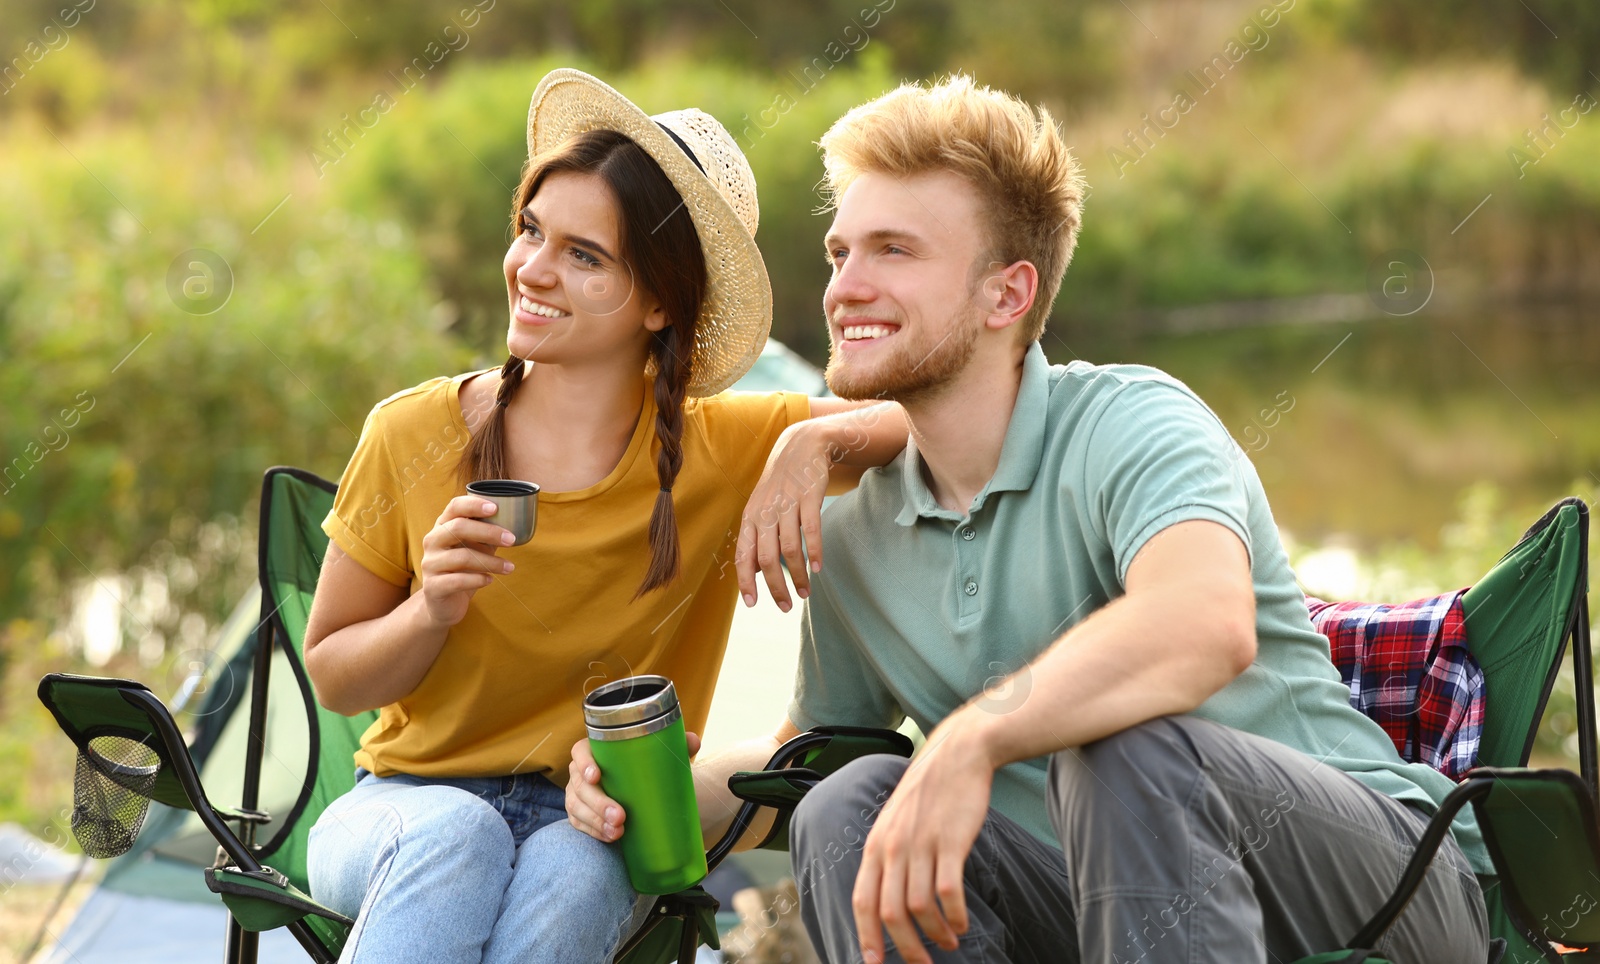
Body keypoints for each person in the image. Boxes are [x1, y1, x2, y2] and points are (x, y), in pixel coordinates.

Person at [566, 75, 1493, 963]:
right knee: (848, 800)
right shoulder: (853, 535)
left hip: (1385, 890)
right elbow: (800, 759)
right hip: (1109, 912)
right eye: (840, 252)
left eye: (895, 250)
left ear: (1006, 295)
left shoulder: (1133, 423)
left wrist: (975, 733)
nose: (845, 286)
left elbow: (1203, 625)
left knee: (1115, 745)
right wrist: (637, 793)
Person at [301, 68, 906, 964]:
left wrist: (810, 446)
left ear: (659, 301)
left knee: (579, 871)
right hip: (400, 804)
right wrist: (429, 607)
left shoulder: (726, 447)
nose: (533, 271)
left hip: (599, 813)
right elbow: (337, 679)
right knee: (457, 842)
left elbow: (923, 420)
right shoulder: (412, 434)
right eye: (532, 232)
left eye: (584, 256)